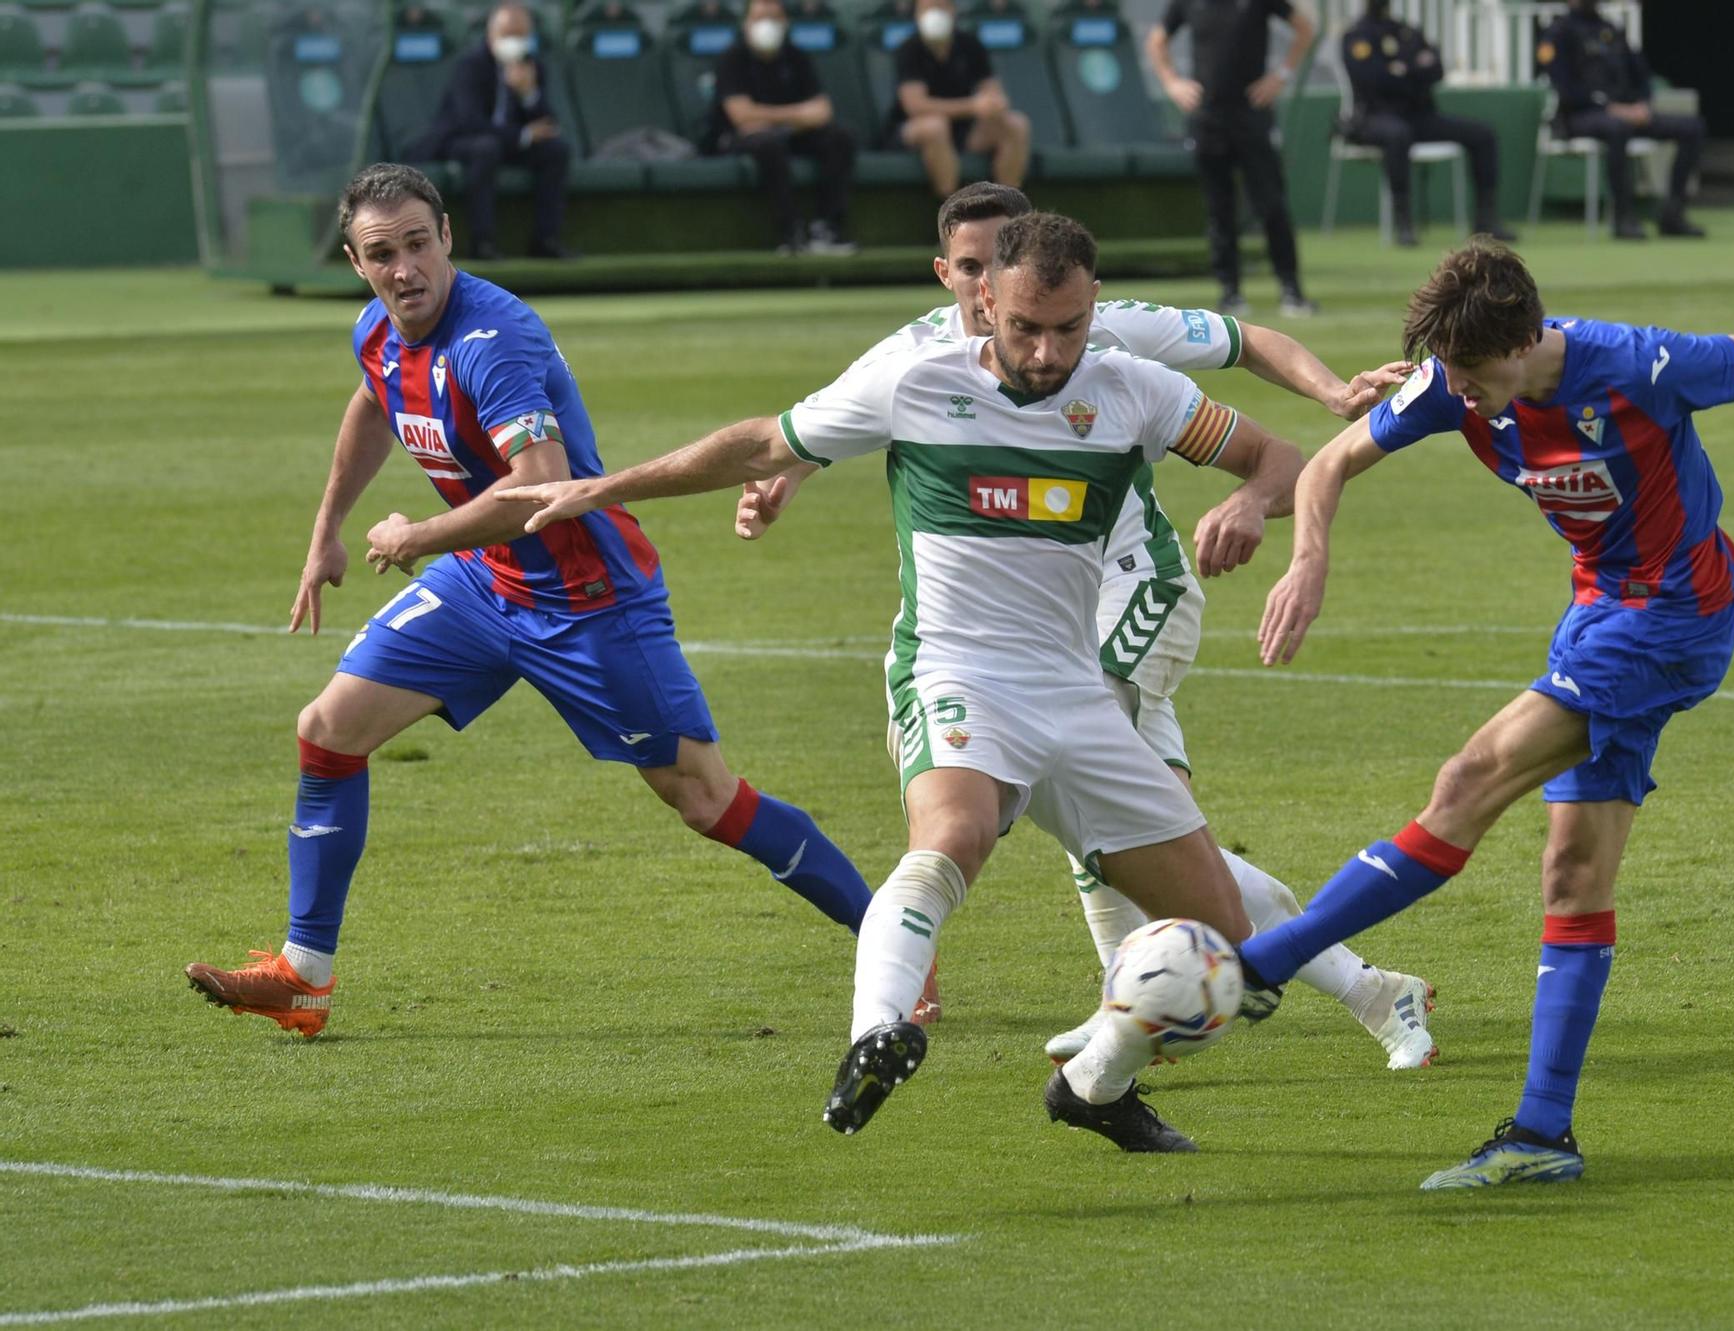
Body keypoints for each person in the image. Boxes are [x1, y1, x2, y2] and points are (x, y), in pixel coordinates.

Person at [501, 213, 1312, 1153]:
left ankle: (1094, 1086)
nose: (1048, 352)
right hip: (956, 671)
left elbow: (1278, 458)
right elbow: (762, 443)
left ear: (1094, 307)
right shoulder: (918, 382)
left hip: (1079, 693)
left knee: (1229, 955)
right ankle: (877, 1029)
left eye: (1070, 328)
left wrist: (1254, 500)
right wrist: (606, 488)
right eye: (1024, 328)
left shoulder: (1134, 390)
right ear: (983, 303)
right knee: (956, 833)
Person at [735, 182, 1440, 1073]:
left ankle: (1157, 994)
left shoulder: (1094, 329)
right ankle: (1320, 988)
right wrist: (784, 479)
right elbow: (821, 425)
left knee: (1105, 815)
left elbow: (1241, 338)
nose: (985, 286)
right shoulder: (918, 353)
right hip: (1023, 628)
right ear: (954, 274)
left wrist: (1335, 394)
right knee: (1123, 833)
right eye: (969, 269)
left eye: (1001, 262)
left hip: (1134, 590)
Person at [183, 163, 876, 1039]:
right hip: (485, 584)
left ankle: (893, 943)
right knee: (329, 727)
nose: (405, 270)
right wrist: (330, 529)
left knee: (703, 797)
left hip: (587, 596)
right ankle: (303, 974)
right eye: (381, 255)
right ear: (357, 265)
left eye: (418, 245)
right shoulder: (378, 328)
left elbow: (538, 487)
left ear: (447, 238)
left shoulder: (493, 341)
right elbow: (373, 402)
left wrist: (411, 537)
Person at [1247, 240, 1734, 1188]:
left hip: (1672, 618)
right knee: (1572, 869)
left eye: (1473, 375)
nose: (1460, 395)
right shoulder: (1450, 388)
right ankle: (1543, 1135)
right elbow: (1326, 466)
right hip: (1595, 619)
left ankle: (1257, 965)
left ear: (1526, 342)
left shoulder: (1635, 363)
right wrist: (1309, 559)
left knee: (1469, 779)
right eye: (1448, 375)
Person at [1147, 0, 1315, 318]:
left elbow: (1304, 28)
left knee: (1272, 204)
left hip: (1251, 115)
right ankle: (1230, 293)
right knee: (1219, 209)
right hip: (1207, 118)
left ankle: (1291, 290)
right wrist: (1172, 83)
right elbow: (1156, 41)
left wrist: (1280, 76)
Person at [1340, 0, 1515, 247]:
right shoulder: (1356, 35)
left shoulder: (1407, 32)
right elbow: (1372, 79)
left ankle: (1486, 219)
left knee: (1482, 134)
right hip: (1375, 117)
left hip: (1419, 116)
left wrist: (1400, 71)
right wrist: (1412, 70)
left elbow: (1436, 69)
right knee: (1397, 136)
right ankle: (1403, 223)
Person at [409, 3, 570, 260]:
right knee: (486, 148)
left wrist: (528, 94)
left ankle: (545, 240)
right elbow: (469, 121)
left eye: (521, 34)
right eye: (508, 34)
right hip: (458, 142)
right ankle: (482, 244)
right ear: (491, 34)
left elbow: (548, 124)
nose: (514, 41)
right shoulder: (471, 66)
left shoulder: (532, 66)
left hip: (507, 143)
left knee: (555, 151)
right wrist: (522, 135)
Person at [1542, 0, 1706, 240]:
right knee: (1618, 128)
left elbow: (1642, 76)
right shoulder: (1558, 33)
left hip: (1629, 115)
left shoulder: (1612, 30)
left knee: (1693, 128)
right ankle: (1623, 217)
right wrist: (1610, 108)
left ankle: (1673, 214)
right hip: (1580, 117)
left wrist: (1641, 104)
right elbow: (1565, 90)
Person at [712, 0, 858, 256]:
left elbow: (823, 112)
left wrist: (770, 118)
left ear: (785, 23)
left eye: (773, 18)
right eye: (759, 18)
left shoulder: (796, 56)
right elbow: (741, 116)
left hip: (790, 133)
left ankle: (827, 228)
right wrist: (798, 114)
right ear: (746, 23)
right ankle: (792, 232)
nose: (767, 25)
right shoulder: (732, 58)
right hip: (739, 138)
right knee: (768, 143)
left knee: (839, 138)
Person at [891, 0, 1030, 198]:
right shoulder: (909, 49)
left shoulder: (970, 45)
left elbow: (993, 93)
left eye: (942, 6)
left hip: (966, 131)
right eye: (928, 8)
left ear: (953, 10)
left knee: (1016, 124)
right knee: (935, 127)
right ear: (917, 14)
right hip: (911, 130)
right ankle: (952, 214)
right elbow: (915, 105)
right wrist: (973, 106)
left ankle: (1007, 207)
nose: (935, 13)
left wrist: (994, 104)